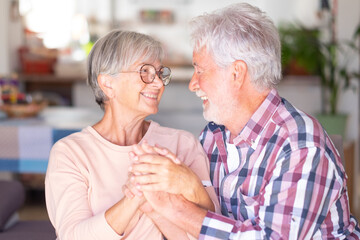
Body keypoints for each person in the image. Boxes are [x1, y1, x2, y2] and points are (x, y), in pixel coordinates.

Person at [128, 3, 360, 239]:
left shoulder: (301, 146)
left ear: (237, 74)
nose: (192, 84)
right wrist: (162, 196)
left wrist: (176, 209)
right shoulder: (212, 136)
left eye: (200, 70)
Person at [45, 30, 219, 240]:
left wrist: (189, 184)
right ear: (108, 84)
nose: (158, 83)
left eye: (160, 73)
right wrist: (135, 197)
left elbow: (214, 232)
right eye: (145, 72)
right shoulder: (71, 153)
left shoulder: (182, 144)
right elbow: (73, 236)